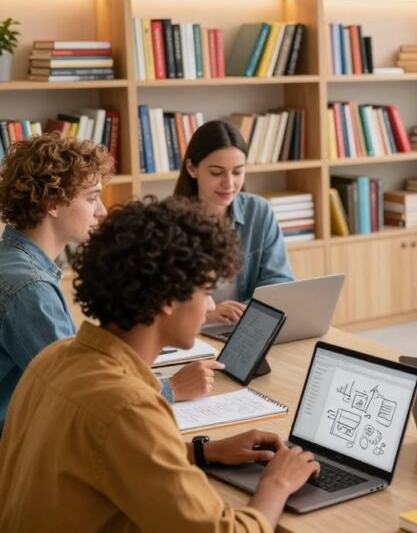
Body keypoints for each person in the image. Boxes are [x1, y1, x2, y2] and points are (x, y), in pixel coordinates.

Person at [0, 196, 320, 531]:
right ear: (168, 299)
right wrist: (277, 483)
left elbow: (108, 456)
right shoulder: (128, 407)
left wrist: (203, 451)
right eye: (206, 289)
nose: (211, 303)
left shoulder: (54, 358)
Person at [0, 134, 214, 432]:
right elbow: (80, 390)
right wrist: (171, 389)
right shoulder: (28, 287)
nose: (101, 210)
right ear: (52, 202)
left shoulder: (14, 263)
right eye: (91, 197)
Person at [174, 120, 294, 325]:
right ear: (192, 168)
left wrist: (240, 313)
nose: (229, 184)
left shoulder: (259, 211)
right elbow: (158, 300)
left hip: (245, 327)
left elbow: (279, 282)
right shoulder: (168, 224)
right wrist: (205, 315)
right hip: (192, 334)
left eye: (238, 171)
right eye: (216, 172)